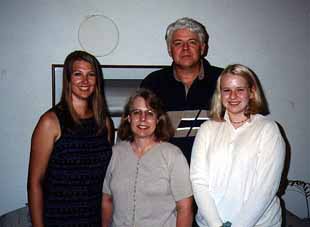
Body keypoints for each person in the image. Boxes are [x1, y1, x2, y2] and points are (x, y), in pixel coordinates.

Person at [190, 64, 285, 227]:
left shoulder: (268, 129)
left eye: (240, 89)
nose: (233, 96)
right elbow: (198, 180)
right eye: (227, 90)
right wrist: (215, 224)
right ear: (220, 94)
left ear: (252, 92)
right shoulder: (207, 129)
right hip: (210, 223)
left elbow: (266, 188)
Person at [27, 50, 114, 227]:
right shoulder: (50, 122)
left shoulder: (104, 122)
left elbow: (106, 180)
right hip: (57, 220)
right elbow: (34, 182)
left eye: (91, 75)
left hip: (93, 220)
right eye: (77, 74)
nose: (85, 81)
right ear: (68, 79)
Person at [102, 88, 193, 227]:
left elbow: (185, 208)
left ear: (158, 119)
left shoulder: (173, 156)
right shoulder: (114, 154)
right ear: (128, 117)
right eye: (137, 112)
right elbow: (106, 200)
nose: (143, 119)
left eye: (150, 113)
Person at [140, 17, 222, 164]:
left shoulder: (223, 80)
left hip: (214, 172)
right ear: (169, 50)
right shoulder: (152, 83)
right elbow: (141, 132)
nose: (185, 48)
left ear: (202, 48)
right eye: (178, 43)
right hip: (165, 171)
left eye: (192, 42)